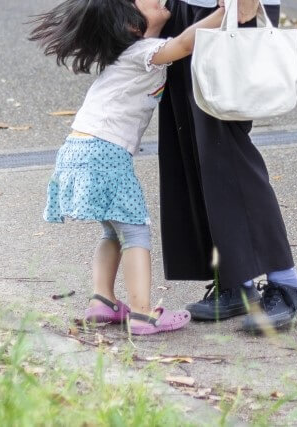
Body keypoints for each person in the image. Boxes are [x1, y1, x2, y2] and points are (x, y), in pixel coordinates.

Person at [29, 0, 230, 335]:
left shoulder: (127, 53)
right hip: (105, 151)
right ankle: (142, 313)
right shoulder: (144, 52)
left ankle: (103, 301)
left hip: (78, 147)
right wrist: (223, 14)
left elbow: (162, 43)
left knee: (113, 231)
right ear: (131, 25)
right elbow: (182, 44)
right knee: (136, 231)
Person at [158, 0, 297, 332]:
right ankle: (235, 278)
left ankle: (286, 280)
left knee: (227, 150)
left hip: (231, 6)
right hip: (190, 7)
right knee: (195, 149)